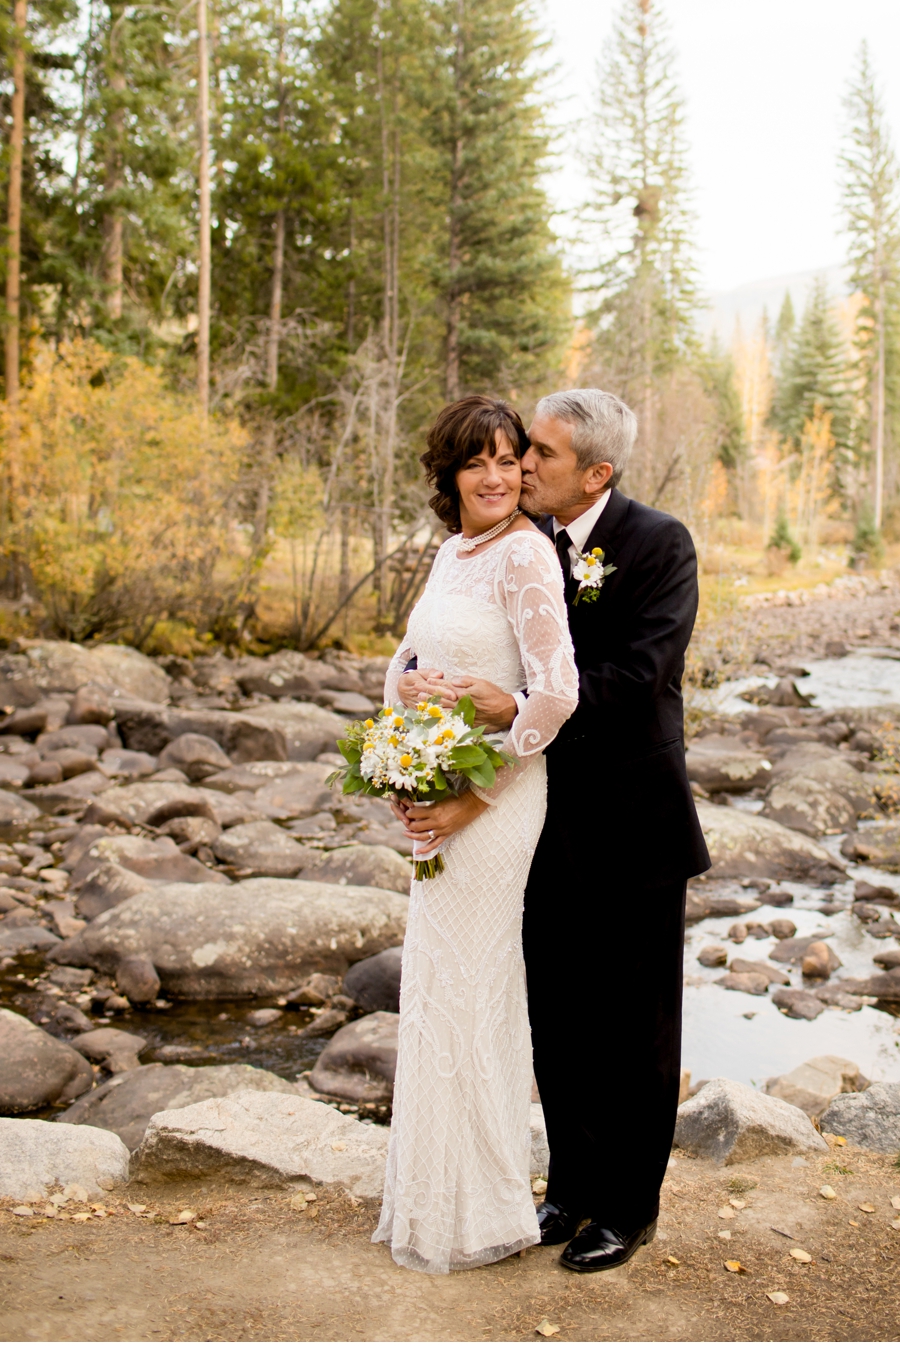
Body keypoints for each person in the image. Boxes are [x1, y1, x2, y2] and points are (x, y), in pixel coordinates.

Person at [374, 395, 579, 1274]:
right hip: (441, 791)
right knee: (434, 986)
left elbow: (556, 695)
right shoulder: (455, 552)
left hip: (496, 807)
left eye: (508, 461)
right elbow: (408, 663)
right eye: (477, 463)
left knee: (473, 988)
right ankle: (435, 1198)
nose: (497, 478)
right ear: (449, 476)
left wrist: (471, 800)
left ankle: (484, 1206)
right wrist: (399, 739)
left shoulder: (528, 555)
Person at [509, 388, 711, 1273]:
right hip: (535, 819)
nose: (522, 464)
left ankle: (629, 1208)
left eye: (542, 454)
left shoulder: (659, 543)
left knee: (635, 1028)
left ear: (597, 471)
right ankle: (572, 1184)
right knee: (557, 1015)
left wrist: (525, 706)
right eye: (525, 448)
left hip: (632, 822)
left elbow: (639, 673)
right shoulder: (518, 543)